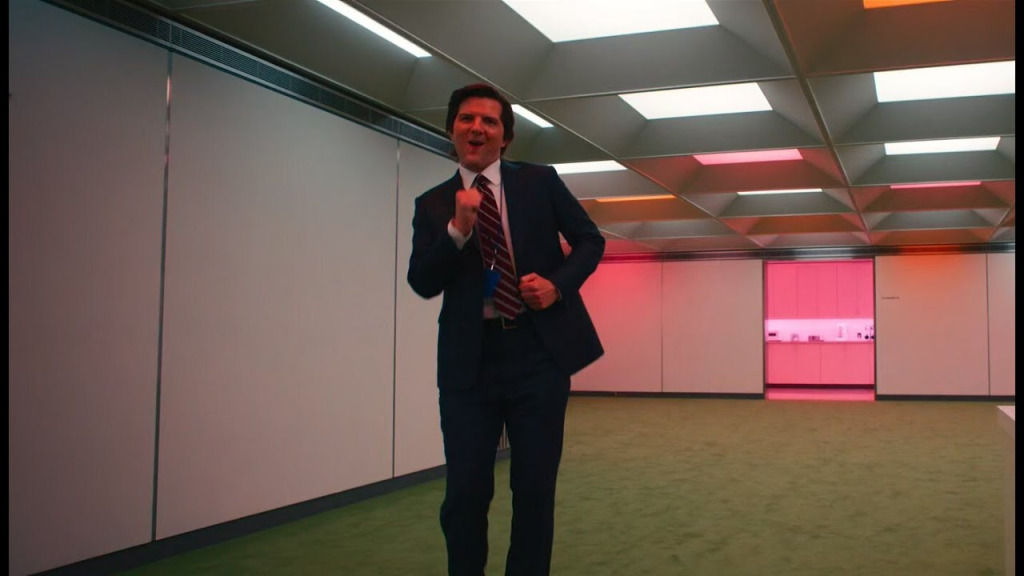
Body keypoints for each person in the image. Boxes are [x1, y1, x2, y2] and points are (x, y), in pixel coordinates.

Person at [407, 83, 605, 576]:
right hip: (468, 369)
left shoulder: (539, 182)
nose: (477, 127)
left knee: (534, 491)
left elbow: (589, 240)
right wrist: (457, 232)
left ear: (505, 137)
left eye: (489, 121)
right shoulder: (433, 205)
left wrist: (557, 285)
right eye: (466, 119)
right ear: (451, 130)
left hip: (537, 357)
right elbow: (422, 282)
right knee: (465, 495)